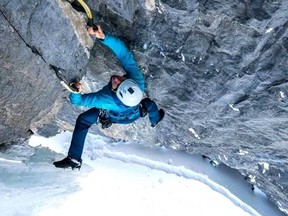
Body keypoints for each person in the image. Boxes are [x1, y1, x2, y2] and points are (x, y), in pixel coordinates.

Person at [53, 24, 165, 169]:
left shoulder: (105, 100)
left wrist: (76, 92)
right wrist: (103, 37)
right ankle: (155, 119)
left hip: (114, 114)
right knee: (149, 104)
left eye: (116, 86)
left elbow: (78, 101)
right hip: (134, 112)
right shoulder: (137, 83)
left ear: (116, 94)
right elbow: (124, 54)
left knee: (83, 120)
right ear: (130, 82)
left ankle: (74, 158)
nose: (116, 80)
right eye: (122, 81)